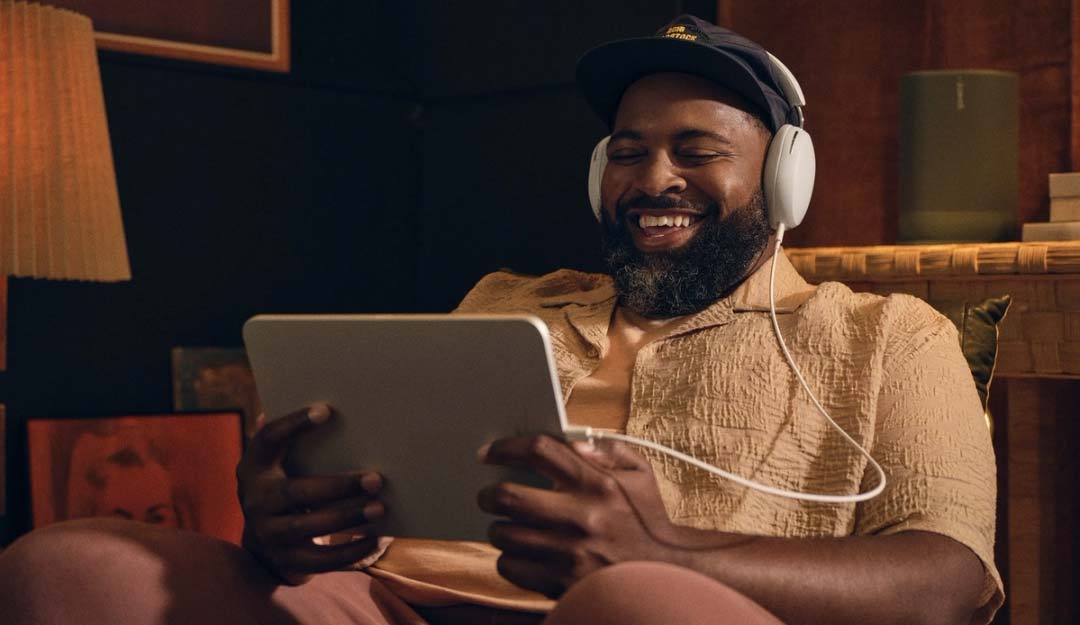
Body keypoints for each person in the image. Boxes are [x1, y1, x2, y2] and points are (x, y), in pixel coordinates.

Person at [0, 15, 1001, 625]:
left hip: (641, 614)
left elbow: (946, 580)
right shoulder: (506, 305)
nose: (653, 177)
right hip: (404, 606)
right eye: (627, 149)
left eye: (698, 151)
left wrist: (666, 555)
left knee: (628, 600)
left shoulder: (886, 338)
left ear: (785, 178)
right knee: (66, 569)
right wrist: (287, 526)